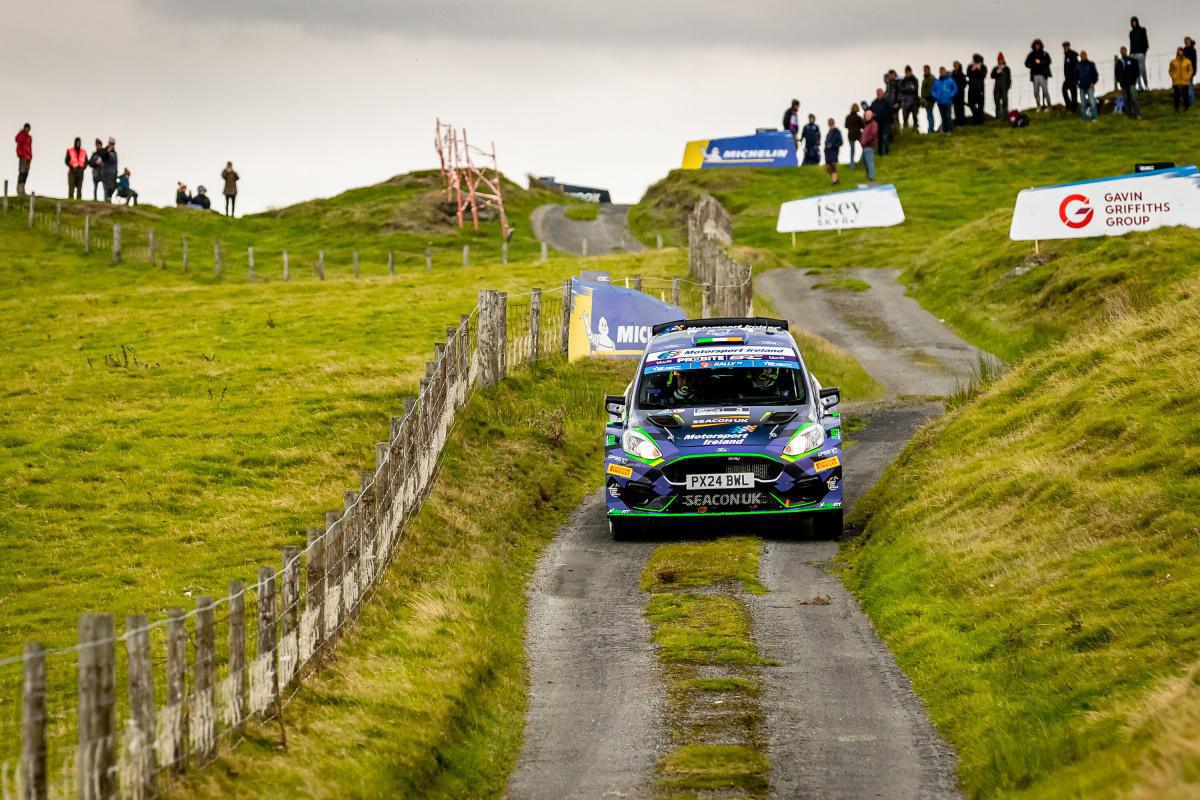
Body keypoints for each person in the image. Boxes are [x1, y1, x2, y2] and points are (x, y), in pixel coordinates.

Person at [1026, 39, 1053, 111]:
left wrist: (1041, 62)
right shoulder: (1031, 54)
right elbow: (1026, 63)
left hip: (1043, 75)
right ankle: (1038, 105)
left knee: (1045, 90)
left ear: (1041, 45)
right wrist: (1032, 65)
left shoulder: (1044, 53)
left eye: (1038, 45)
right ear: (1034, 46)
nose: (1037, 46)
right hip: (1035, 76)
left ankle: (1049, 105)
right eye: (1036, 45)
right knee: (1036, 91)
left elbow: (1049, 61)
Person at [1116, 47, 1142, 118]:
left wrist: (1134, 80)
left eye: (1124, 51)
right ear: (1120, 52)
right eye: (1121, 51)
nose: (1123, 52)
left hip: (1131, 83)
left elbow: (1137, 71)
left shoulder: (1132, 60)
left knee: (1134, 99)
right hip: (1123, 85)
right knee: (1126, 99)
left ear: (1126, 51)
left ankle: (1138, 114)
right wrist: (1120, 81)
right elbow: (1117, 73)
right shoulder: (1119, 62)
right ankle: (1128, 114)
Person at [932, 67, 958, 133]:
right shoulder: (936, 82)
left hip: (948, 102)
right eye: (941, 72)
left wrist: (951, 94)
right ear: (940, 72)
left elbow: (955, 89)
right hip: (940, 102)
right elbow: (933, 91)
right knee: (943, 117)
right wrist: (936, 96)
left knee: (948, 116)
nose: (942, 73)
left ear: (945, 72)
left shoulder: (950, 80)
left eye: (943, 71)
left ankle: (950, 130)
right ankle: (944, 130)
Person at [1170, 47, 1195, 111]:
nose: (1180, 52)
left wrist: (1187, 77)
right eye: (1179, 51)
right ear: (1177, 52)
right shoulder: (1173, 62)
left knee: (1185, 95)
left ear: (1183, 52)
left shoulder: (1188, 61)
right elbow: (1170, 71)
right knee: (1176, 96)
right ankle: (1176, 108)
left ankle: (1186, 108)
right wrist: (1173, 77)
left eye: (1181, 51)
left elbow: (1190, 70)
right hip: (1176, 82)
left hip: (1185, 81)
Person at [1078, 51, 1100, 121]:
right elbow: (1075, 75)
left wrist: (1093, 83)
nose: (1083, 57)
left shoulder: (1091, 64)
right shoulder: (1078, 65)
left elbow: (1096, 75)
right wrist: (1076, 83)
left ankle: (1094, 117)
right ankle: (1084, 118)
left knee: (1092, 102)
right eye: (1081, 56)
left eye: (1084, 55)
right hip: (1081, 87)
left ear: (1086, 55)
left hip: (1089, 86)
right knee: (1083, 103)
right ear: (1080, 56)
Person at [869, 88, 892, 156]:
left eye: (880, 93)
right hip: (877, 123)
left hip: (885, 122)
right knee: (879, 138)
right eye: (878, 93)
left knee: (885, 137)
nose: (879, 94)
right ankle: (880, 153)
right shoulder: (874, 103)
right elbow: (871, 112)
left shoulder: (887, 102)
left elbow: (890, 112)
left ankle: (886, 152)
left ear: (883, 93)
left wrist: (888, 119)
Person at [966, 54, 987, 124]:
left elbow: (984, 75)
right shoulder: (970, 66)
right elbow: (968, 74)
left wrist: (979, 69)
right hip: (971, 88)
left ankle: (979, 121)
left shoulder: (983, 67)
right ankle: (976, 118)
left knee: (981, 105)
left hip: (980, 89)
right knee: (971, 103)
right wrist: (973, 69)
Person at [1130, 17, 1150, 91]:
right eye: (1132, 22)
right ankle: (1139, 86)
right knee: (1135, 71)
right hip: (1133, 54)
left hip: (1141, 53)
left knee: (1142, 69)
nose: (1133, 23)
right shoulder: (1131, 33)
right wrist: (1131, 53)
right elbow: (1131, 44)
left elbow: (1145, 41)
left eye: (1134, 22)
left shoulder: (1142, 30)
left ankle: (1146, 85)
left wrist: (1144, 52)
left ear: (1137, 22)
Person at [991, 54, 1012, 121]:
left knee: (1005, 102)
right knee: (997, 102)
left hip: (1004, 88)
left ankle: (1005, 117)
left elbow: (1009, 79)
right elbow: (992, 76)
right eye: (999, 59)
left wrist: (1007, 87)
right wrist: (997, 72)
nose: (1000, 61)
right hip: (996, 88)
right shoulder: (995, 68)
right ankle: (998, 117)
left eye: (1001, 59)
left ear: (1003, 60)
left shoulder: (1007, 69)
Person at [860, 109, 878, 182]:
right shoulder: (866, 124)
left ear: (871, 115)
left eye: (868, 115)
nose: (866, 116)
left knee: (870, 162)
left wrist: (865, 141)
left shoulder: (873, 123)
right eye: (866, 115)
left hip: (869, 146)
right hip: (864, 147)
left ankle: (871, 177)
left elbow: (873, 135)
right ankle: (869, 176)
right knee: (864, 161)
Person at [823, 118, 842, 186]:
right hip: (828, 153)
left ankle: (834, 182)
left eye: (831, 123)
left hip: (834, 152)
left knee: (833, 166)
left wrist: (832, 145)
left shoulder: (837, 132)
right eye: (829, 123)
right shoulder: (829, 133)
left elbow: (840, 142)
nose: (830, 124)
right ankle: (836, 179)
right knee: (827, 168)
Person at [1061, 42, 1080, 113]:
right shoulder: (1066, 55)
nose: (1065, 48)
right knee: (1064, 90)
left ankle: (1073, 109)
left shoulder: (1073, 55)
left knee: (1073, 93)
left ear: (1069, 46)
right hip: (1067, 78)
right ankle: (1069, 106)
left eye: (1066, 47)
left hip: (1073, 78)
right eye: (1064, 47)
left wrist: (1076, 79)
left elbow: (1077, 67)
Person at [14, 123, 32, 197]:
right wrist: (20, 155)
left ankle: (23, 188)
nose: (27, 129)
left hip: (28, 157)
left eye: (28, 128)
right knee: (22, 172)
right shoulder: (21, 135)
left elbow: (30, 147)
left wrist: (30, 156)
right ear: (24, 128)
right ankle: (19, 189)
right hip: (23, 157)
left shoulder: (29, 137)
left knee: (26, 173)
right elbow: (18, 144)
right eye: (26, 128)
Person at [845, 104, 863, 168]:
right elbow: (863, 125)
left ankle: (852, 164)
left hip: (851, 135)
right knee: (864, 147)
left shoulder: (848, 117)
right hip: (858, 134)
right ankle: (862, 160)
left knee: (852, 150)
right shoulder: (858, 117)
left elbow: (846, 126)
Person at [100, 137, 118, 202]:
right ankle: (106, 201)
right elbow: (102, 157)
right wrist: (107, 152)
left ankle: (109, 198)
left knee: (112, 187)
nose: (112, 145)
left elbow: (116, 164)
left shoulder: (115, 153)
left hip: (113, 175)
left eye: (113, 144)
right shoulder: (104, 151)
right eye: (111, 144)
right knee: (106, 188)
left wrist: (116, 173)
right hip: (105, 174)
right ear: (108, 143)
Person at [920, 65, 936, 133]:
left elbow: (932, 89)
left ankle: (930, 129)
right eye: (924, 70)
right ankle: (930, 128)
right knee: (929, 114)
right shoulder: (924, 79)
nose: (925, 71)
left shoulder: (932, 78)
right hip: (925, 100)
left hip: (930, 99)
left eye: (926, 70)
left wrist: (929, 97)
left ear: (929, 70)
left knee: (930, 114)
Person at [1185, 37, 1198, 106]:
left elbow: (1195, 62)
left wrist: (1194, 71)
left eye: (1188, 41)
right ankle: (1188, 101)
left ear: (1190, 41)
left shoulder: (1193, 50)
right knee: (1186, 86)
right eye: (1185, 41)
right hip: (1184, 72)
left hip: (1190, 71)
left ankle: (1191, 101)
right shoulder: (1184, 50)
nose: (1187, 43)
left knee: (1190, 86)